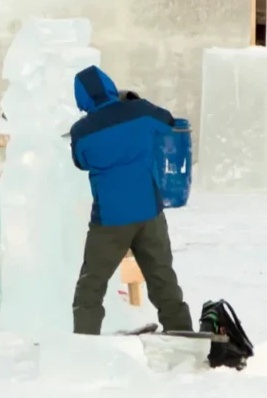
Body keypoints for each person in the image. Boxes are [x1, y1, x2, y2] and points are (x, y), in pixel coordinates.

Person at [68, 66, 192, 335]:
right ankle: (182, 334)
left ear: (81, 99)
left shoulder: (81, 131)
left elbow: (80, 161)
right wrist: (132, 105)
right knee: (163, 280)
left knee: (92, 286)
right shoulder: (141, 112)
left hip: (109, 221)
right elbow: (168, 122)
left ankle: (84, 342)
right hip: (149, 214)